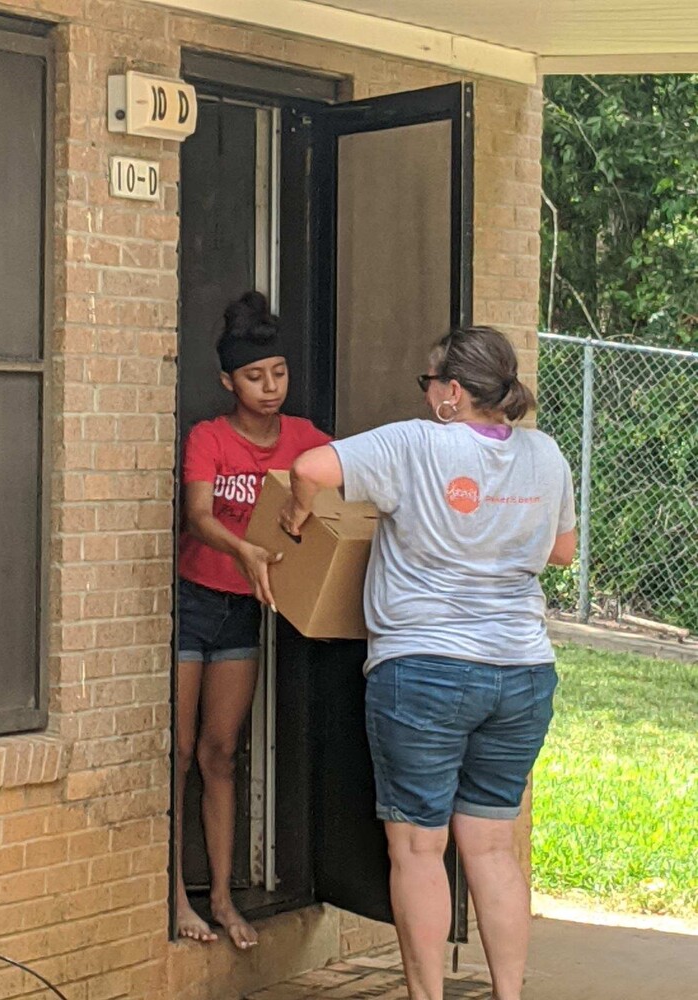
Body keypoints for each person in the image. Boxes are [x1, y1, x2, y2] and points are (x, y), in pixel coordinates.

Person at [279, 326, 576, 1000]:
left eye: (427, 381)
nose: (425, 393)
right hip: (523, 672)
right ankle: (508, 995)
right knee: (494, 850)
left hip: (425, 671)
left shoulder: (415, 444)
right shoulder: (546, 455)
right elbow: (563, 552)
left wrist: (298, 516)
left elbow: (309, 470)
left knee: (418, 850)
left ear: (451, 393)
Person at [176, 291, 331, 948]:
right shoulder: (209, 438)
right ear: (227, 381)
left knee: (220, 754)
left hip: (246, 612)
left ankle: (223, 898)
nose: (269, 388)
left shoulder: (304, 440)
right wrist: (241, 548)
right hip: (193, 605)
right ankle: (174, 894)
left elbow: (352, 478)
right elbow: (200, 517)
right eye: (254, 377)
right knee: (178, 753)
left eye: (278, 374)